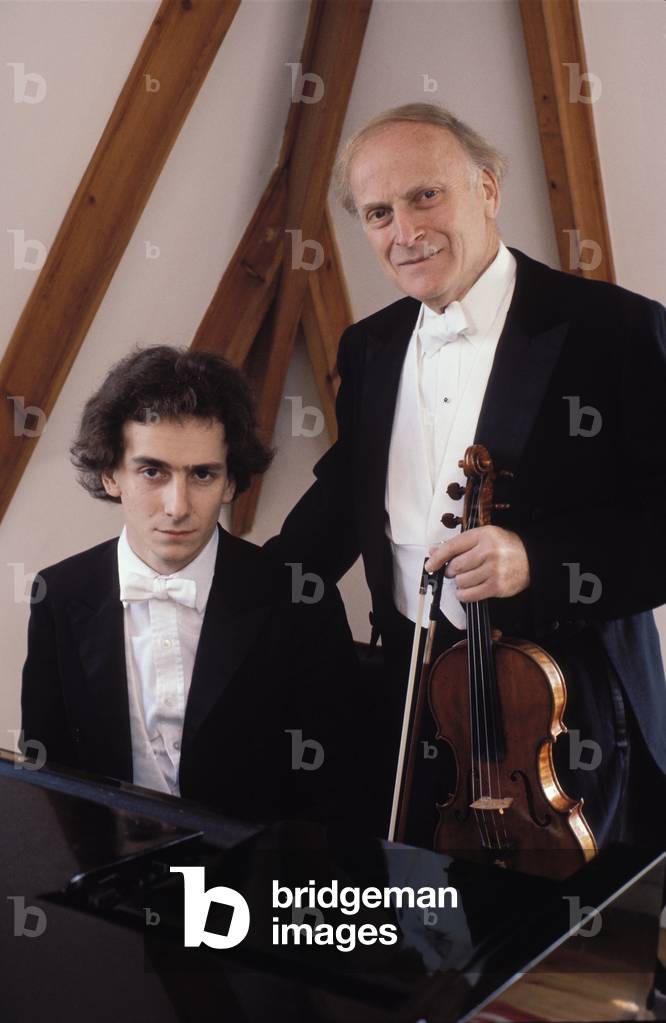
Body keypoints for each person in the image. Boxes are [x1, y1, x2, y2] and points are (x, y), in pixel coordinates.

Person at [272, 103, 666, 851]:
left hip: (565, 714)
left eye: (427, 195)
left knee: (573, 955)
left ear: (486, 188)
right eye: (379, 211)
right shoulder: (371, 346)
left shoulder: (613, 331)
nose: (405, 231)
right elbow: (346, 493)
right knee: (422, 939)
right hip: (414, 705)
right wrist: (221, 587)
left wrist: (538, 560)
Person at [21, 345, 360, 825]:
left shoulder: (301, 600)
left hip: (257, 881)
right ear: (110, 473)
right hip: (105, 881)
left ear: (229, 483)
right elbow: (47, 778)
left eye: (202, 474)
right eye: (152, 471)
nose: (177, 506)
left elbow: (337, 789)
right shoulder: (57, 593)